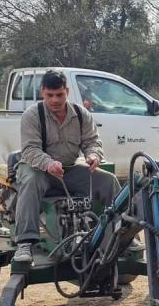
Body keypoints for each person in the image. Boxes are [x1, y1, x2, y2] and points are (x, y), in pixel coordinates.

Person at [12, 70, 121, 262]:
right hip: (37, 169)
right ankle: (25, 243)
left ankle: (121, 233)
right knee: (29, 181)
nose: (55, 100)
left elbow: (92, 141)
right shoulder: (32, 115)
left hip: (69, 170)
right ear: (42, 93)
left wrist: (93, 155)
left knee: (108, 181)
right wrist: (48, 163)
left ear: (67, 92)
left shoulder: (81, 114)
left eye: (59, 95)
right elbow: (30, 150)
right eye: (50, 95)